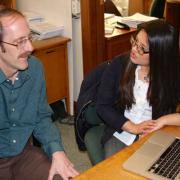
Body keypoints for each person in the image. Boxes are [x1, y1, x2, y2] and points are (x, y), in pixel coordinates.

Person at [0, 7, 79, 180]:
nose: (30, 47)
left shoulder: (34, 68)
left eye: (29, 38)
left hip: (22, 154)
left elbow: (41, 116)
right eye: (19, 41)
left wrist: (56, 150)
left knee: (62, 176)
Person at [96, 19, 180, 158]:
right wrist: (133, 128)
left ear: (160, 54)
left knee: (162, 169)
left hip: (156, 132)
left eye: (141, 48)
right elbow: (102, 106)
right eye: (135, 41)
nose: (134, 49)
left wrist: (161, 121)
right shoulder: (119, 65)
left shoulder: (173, 75)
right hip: (121, 132)